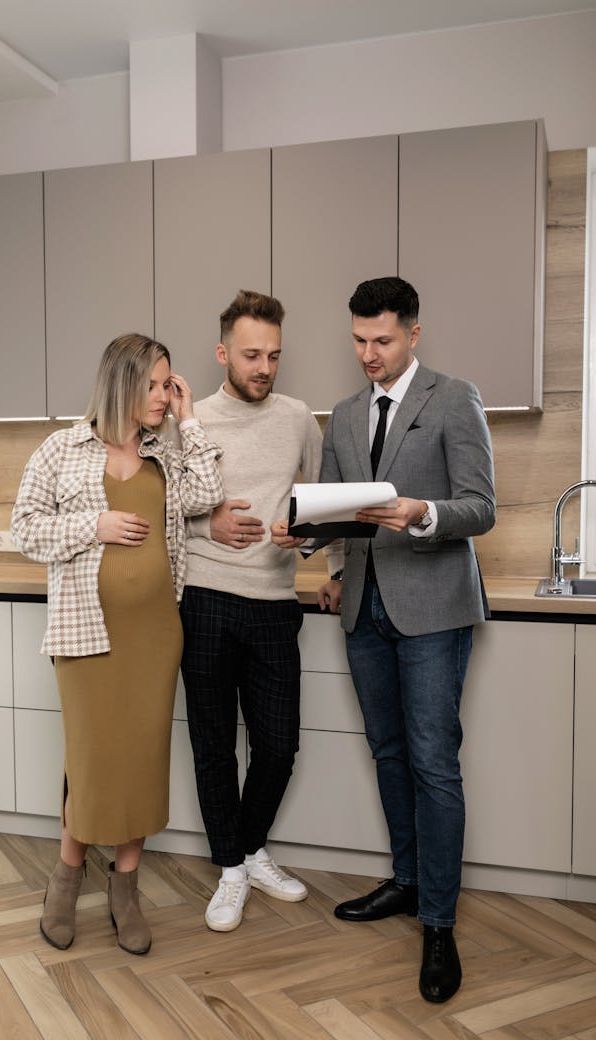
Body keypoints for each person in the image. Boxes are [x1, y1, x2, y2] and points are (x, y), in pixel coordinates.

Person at [276, 276, 495, 1003]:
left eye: (383, 340)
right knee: (390, 752)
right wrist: (311, 543)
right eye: (359, 341)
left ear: (413, 335)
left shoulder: (453, 398)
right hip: (363, 608)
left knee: (434, 761)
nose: (369, 354)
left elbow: (481, 508)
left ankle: (439, 922)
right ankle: (406, 881)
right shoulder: (340, 416)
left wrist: (422, 512)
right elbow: (337, 512)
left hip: (432, 606)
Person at [10, 333, 224, 955]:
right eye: (155, 386)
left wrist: (191, 418)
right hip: (84, 635)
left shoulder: (169, 450)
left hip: (156, 635)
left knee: (142, 757)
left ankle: (125, 887)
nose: (162, 396)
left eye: (168, 385)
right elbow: (25, 528)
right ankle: (66, 879)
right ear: (122, 383)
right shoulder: (62, 449)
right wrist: (94, 525)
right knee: (93, 760)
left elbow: (207, 496)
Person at [180, 289, 328, 933]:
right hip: (206, 601)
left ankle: (246, 846)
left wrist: (311, 538)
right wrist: (205, 523)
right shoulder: (187, 421)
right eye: (251, 355)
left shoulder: (298, 419)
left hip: (274, 605)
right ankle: (233, 868)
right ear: (222, 354)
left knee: (277, 745)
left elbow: (324, 508)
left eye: (273, 355)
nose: (264, 367)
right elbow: (162, 513)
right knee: (213, 745)